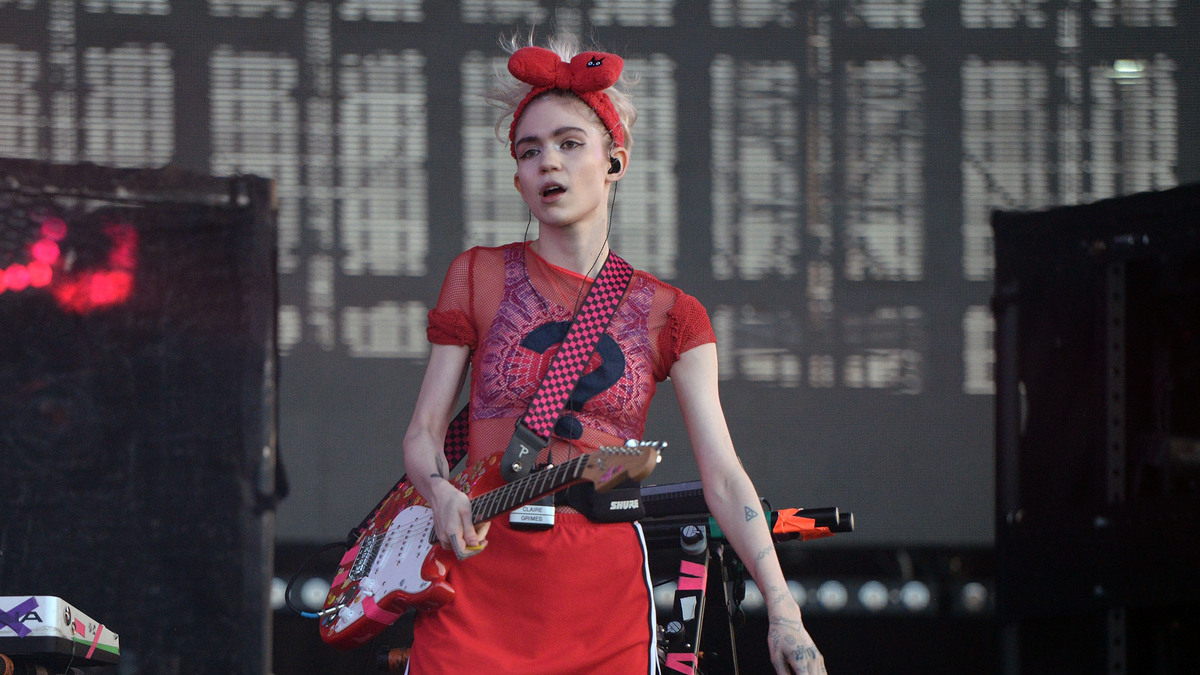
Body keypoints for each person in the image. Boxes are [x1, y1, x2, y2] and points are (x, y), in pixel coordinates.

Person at [401, 31, 826, 675]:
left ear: (614, 160)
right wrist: (438, 491)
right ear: (517, 177)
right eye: (530, 151)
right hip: (477, 583)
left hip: (601, 596)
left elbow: (724, 476)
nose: (549, 163)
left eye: (570, 145)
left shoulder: (670, 314)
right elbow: (423, 433)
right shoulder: (479, 275)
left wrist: (783, 608)